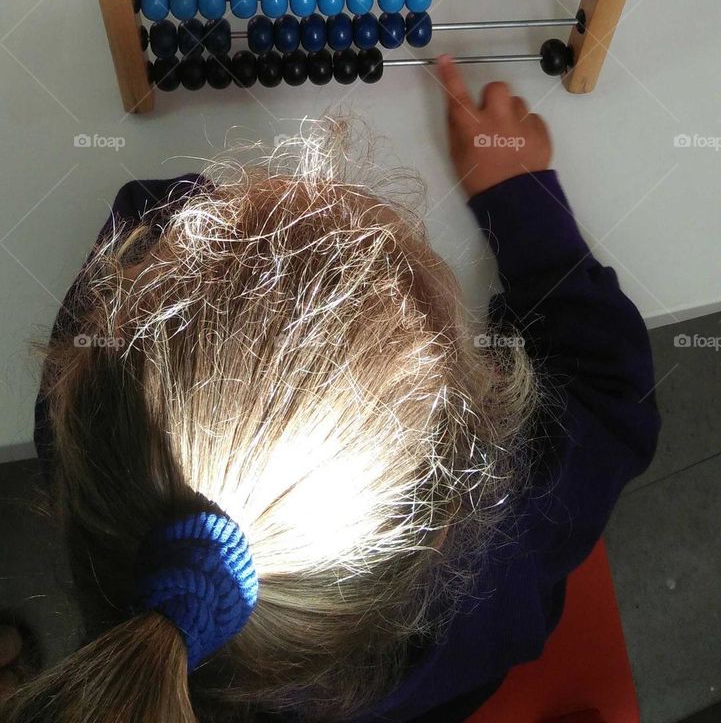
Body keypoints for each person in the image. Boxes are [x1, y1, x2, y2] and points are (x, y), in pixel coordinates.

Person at [0, 59, 660, 723]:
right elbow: (610, 380)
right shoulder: (519, 529)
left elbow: (146, 211)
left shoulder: (87, 450)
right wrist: (520, 196)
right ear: (447, 520)